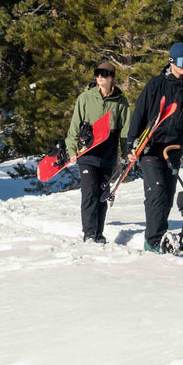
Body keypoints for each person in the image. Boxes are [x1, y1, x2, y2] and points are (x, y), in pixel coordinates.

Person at [125, 42, 183, 252]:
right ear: (171, 62)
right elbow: (139, 114)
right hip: (151, 148)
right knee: (157, 192)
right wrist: (131, 144)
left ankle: (159, 235)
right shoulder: (156, 84)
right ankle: (153, 240)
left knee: (168, 196)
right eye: (182, 61)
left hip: (173, 150)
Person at [63, 62, 131, 243]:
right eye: (97, 73)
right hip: (87, 153)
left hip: (108, 156)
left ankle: (99, 234)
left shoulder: (121, 102)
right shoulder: (85, 98)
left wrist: (126, 155)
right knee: (89, 192)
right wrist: (71, 149)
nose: (100, 76)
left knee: (102, 193)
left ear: (112, 78)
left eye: (105, 73)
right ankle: (89, 234)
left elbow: (125, 132)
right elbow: (74, 127)